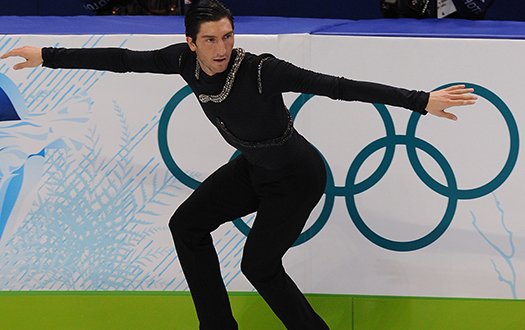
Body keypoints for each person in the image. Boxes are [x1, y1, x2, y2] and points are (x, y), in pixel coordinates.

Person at [1, 0, 476, 328]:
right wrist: (46, 55)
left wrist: (420, 100)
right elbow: (123, 58)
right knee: (186, 225)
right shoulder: (182, 63)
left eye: (227, 36)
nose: (222, 47)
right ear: (191, 42)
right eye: (210, 40)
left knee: (259, 266)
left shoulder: (262, 70)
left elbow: (339, 85)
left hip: (296, 178)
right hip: (253, 170)